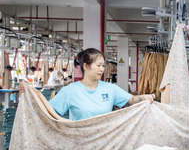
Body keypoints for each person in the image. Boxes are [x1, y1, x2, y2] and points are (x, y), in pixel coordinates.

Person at [19, 48, 154, 121]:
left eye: (103, 66)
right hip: (79, 143)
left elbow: (131, 100)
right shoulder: (70, 91)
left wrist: (142, 97)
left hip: (105, 142)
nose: (102, 69)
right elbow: (47, 111)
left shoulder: (109, 88)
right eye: (98, 65)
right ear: (86, 66)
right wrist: (27, 97)